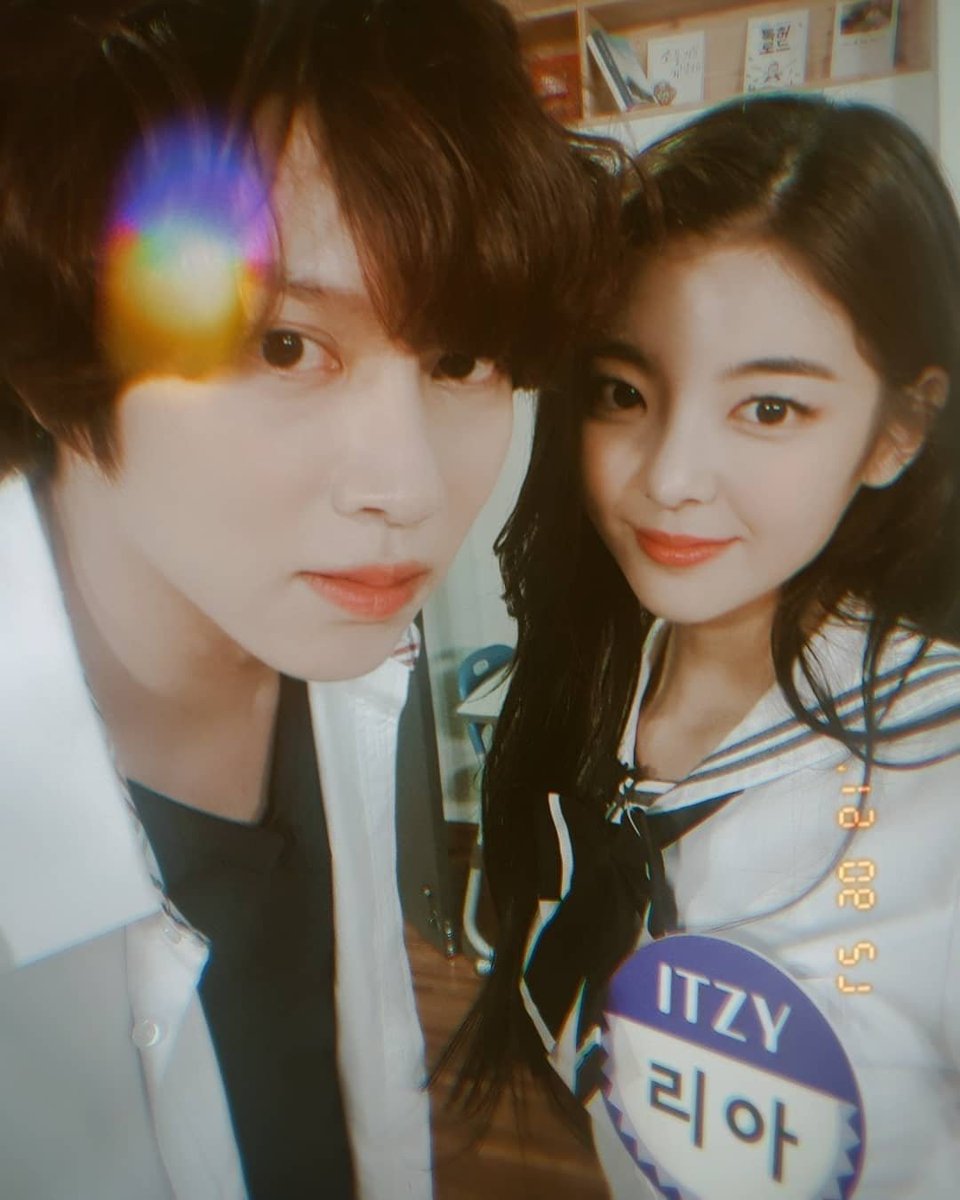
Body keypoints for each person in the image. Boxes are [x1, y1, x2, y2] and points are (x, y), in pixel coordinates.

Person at [0, 2, 621, 1197]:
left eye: (459, 361)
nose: (410, 487)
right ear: (52, 345)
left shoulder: (333, 649)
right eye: (284, 345)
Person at [452, 94, 960, 1199]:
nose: (671, 477)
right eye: (624, 393)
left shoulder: (938, 775)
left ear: (897, 431)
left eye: (769, 409)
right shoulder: (588, 687)